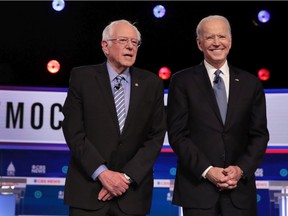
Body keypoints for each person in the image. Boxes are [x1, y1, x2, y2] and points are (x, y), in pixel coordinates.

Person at [167, 15, 269, 216]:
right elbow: (178, 135)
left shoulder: (251, 83)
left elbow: (259, 135)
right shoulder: (181, 81)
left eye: (221, 36)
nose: (216, 43)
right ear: (199, 43)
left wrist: (240, 170)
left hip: (239, 191)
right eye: (209, 37)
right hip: (197, 191)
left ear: (230, 41)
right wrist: (207, 170)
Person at [62, 19, 166, 216]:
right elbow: (73, 131)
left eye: (135, 43)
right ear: (105, 46)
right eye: (123, 40)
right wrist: (102, 173)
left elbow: (156, 136)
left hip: (132, 194)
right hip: (88, 192)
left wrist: (125, 178)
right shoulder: (82, 77)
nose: (130, 47)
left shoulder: (151, 83)